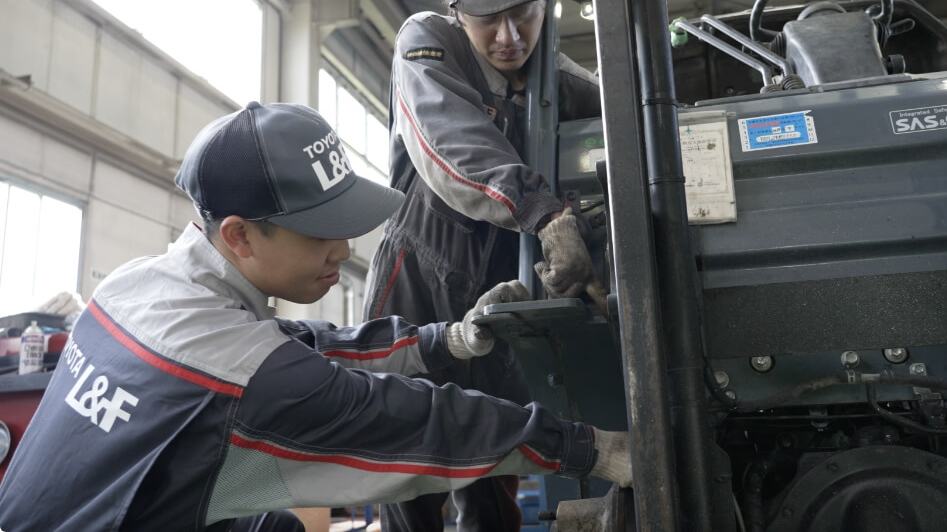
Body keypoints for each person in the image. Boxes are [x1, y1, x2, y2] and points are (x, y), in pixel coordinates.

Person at [0, 102, 631, 532]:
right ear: (240, 234)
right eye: (320, 233)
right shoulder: (236, 376)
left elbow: (309, 346)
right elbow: (417, 424)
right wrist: (585, 448)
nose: (345, 251)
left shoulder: (137, 286)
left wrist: (452, 342)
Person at [362, 0, 605, 532]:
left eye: (523, 14)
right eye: (486, 18)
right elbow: (450, 142)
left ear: (547, 2)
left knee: (496, 452)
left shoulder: (559, 80)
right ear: (454, 9)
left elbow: (619, 129)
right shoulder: (426, 41)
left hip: (503, 285)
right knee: (407, 453)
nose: (507, 36)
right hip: (419, 267)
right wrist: (543, 213)